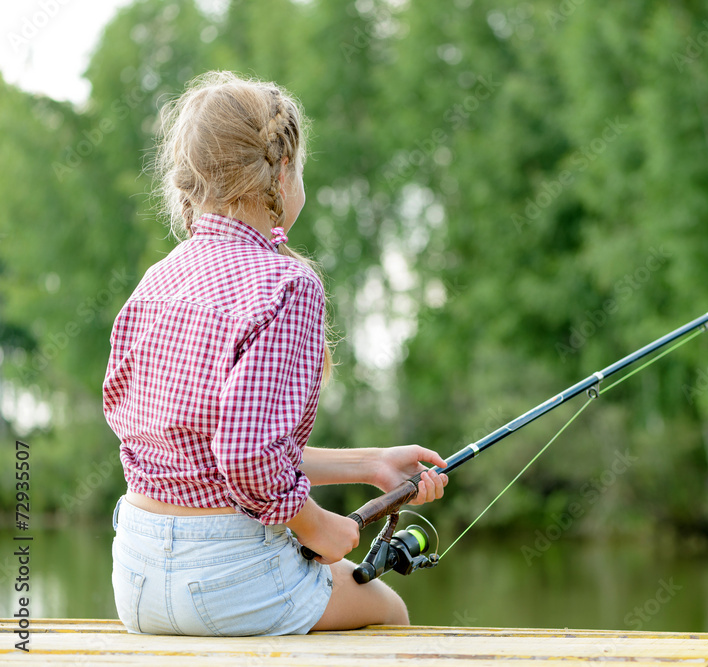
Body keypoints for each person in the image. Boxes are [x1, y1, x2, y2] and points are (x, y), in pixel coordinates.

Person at [102, 71, 448, 636]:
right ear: (282, 171)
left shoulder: (157, 279)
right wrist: (316, 527)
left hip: (135, 580)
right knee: (389, 614)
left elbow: (215, 451)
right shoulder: (286, 284)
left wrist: (370, 464)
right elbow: (245, 455)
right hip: (228, 579)